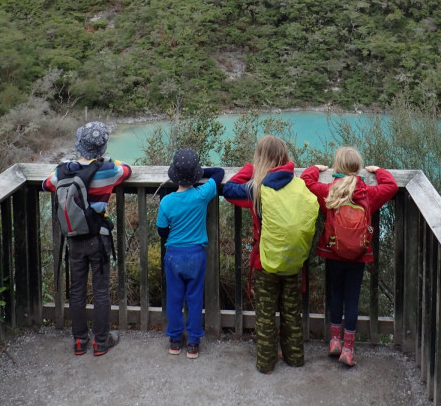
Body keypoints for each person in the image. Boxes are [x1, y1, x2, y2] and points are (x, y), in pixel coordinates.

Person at [301, 146, 398, 367]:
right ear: (358, 168)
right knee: (352, 298)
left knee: (336, 293)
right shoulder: (368, 193)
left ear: (337, 167)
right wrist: (378, 170)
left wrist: (315, 168)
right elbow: (391, 186)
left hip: (333, 252)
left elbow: (306, 181)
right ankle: (348, 349)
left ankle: (334, 340)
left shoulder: (330, 191)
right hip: (359, 255)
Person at [43, 121, 132, 357]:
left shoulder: (64, 171)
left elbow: (47, 183)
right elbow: (128, 170)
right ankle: (101, 341)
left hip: (74, 239)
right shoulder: (108, 169)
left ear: (80, 145)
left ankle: (80, 340)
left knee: (77, 290)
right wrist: (111, 160)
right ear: (101, 149)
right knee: (101, 291)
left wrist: (64, 167)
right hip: (99, 237)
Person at [222, 135, 309, 374]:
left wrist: (250, 168)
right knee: (292, 312)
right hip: (293, 261)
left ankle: (266, 364)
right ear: (285, 157)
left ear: (262, 159)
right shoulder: (298, 183)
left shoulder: (257, 188)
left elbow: (229, 190)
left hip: (265, 262)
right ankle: (295, 358)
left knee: (266, 315)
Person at [156, 148, 224, 359]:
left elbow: (161, 230)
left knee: (174, 298)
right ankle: (193, 343)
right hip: (196, 255)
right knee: (194, 298)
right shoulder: (202, 195)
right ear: (195, 174)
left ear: (174, 174)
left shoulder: (166, 202)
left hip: (174, 255)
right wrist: (200, 171)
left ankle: (175, 341)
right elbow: (219, 173)